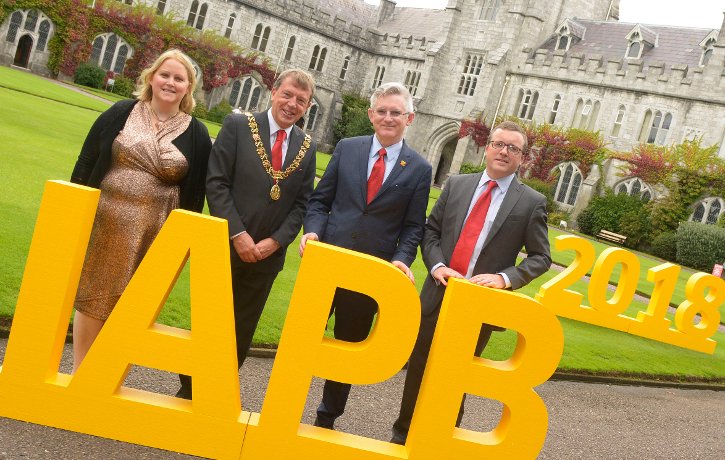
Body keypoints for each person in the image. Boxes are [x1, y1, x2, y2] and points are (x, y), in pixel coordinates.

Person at [390, 120, 552, 444]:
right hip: (438, 296)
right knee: (419, 371)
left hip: (479, 308)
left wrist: (503, 278)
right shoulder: (457, 184)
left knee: (455, 380)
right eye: (498, 144)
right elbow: (431, 232)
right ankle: (402, 437)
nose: (504, 151)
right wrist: (437, 266)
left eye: (513, 148)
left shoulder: (530, 202)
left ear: (522, 157)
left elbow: (541, 257)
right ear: (487, 148)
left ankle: (438, 443)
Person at [175, 69, 317, 399]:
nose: (292, 104)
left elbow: (302, 204)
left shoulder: (307, 147)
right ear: (273, 92)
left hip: (267, 257)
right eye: (287, 95)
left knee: (242, 328)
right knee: (210, 322)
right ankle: (188, 390)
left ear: (308, 107)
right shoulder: (238, 125)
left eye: (301, 100)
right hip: (226, 245)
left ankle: (217, 392)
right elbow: (217, 183)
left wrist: (275, 242)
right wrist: (237, 234)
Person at [69, 49, 213, 374]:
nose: (170, 82)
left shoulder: (197, 134)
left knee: (133, 308)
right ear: (151, 77)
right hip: (105, 222)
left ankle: (105, 377)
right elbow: (87, 160)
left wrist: (182, 242)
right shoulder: (122, 111)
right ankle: (80, 374)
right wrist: (75, 207)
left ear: (189, 87)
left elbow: (197, 193)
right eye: (165, 75)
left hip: (157, 231)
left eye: (179, 78)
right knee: (93, 295)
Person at [299, 82, 432, 430]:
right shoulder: (348, 148)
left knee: (349, 350)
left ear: (410, 118)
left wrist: (402, 259)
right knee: (302, 338)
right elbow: (320, 201)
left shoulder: (419, 168)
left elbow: (413, 227)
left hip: (372, 275)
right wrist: (313, 231)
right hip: (327, 262)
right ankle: (285, 403)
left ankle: (326, 419)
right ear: (371, 115)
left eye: (396, 112)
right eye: (382, 111)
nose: (388, 118)